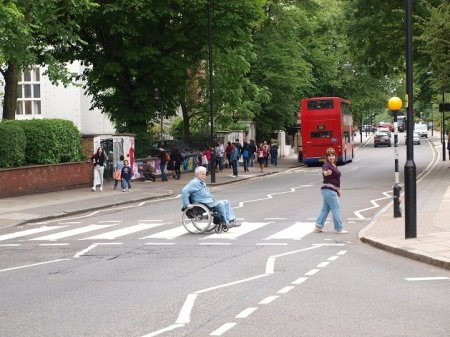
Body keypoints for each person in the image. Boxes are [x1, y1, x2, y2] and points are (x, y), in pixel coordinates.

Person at [314, 147, 349, 234]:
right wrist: (326, 173)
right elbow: (324, 172)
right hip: (329, 190)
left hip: (330, 190)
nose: (331, 157)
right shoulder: (327, 165)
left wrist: (337, 190)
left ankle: (318, 226)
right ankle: (339, 228)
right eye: (329, 156)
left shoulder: (334, 165)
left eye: (332, 155)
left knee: (325, 209)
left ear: (335, 156)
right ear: (326, 157)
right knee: (336, 208)